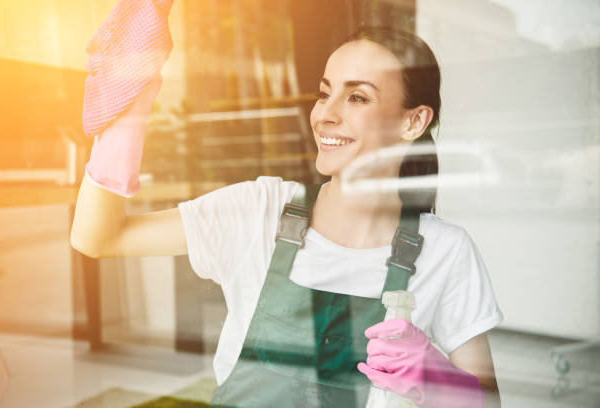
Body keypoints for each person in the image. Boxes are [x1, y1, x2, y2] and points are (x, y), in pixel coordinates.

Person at [70, 4, 503, 406]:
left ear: (413, 121)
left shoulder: (445, 251)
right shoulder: (259, 210)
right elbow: (98, 237)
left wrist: (436, 377)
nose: (325, 115)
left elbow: (489, 401)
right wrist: (131, 111)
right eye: (324, 93)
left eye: (357, 97)